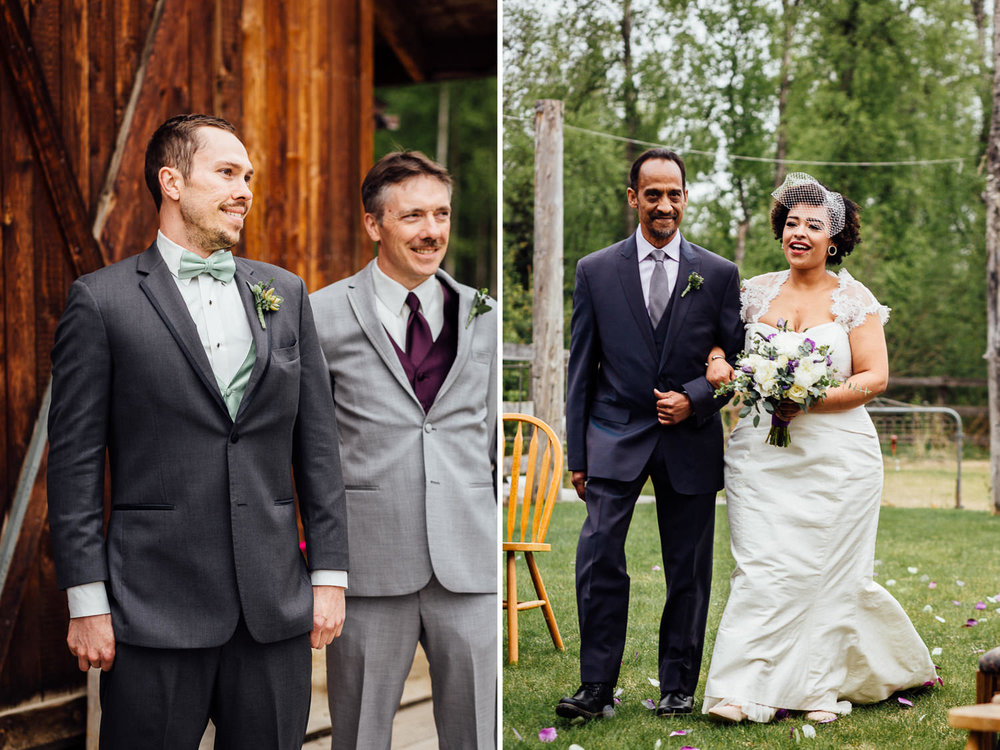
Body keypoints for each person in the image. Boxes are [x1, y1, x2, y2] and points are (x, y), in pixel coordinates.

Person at [46, 114, 349, 749]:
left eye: (249, 177)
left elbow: (317, 446)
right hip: (151, 609)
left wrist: (328, 577)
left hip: (273, 611)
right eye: (228, 173)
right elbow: (73, 467)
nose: (245, 189)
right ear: (172, 181)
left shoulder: (284, 293)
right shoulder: (101, 302)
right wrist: (86, 601)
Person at [701, 172, 936, 724]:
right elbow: (716, 341)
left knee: (827, 573)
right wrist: (719, 362)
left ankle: (814, 687)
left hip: (838, 460)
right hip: (760, 453)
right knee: (761, 568)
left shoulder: (855, 299)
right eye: (790, 223)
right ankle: (736, 689)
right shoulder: (753, 291)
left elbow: (875, 377)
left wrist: (806, 399)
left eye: (812, 224)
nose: (798, 232)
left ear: (834, 238)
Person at [310, 151, 497, 749]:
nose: (432, 231)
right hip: (368, 566)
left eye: (441, 213)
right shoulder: (321, 313)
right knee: (360, 737)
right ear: (374, 224)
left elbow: (490, 436)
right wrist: (323, 567)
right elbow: (308, 448)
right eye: (412, 215)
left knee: (476, 735)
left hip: (469, 565)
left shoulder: (482, 313)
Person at [557, 148, 745, 722]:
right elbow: (581, 367)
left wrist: (695, 397)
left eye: (675, 194)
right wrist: (578, 452)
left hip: (689, 440)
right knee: (598, 556)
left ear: (686, 198)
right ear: (634, 198)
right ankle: (595, 686)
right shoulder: (595, 270)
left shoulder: (717, 274)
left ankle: (678, 686)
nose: (665, 205)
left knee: (688, 565)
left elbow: (737, 360)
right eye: (653, 194)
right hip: (613, 435)